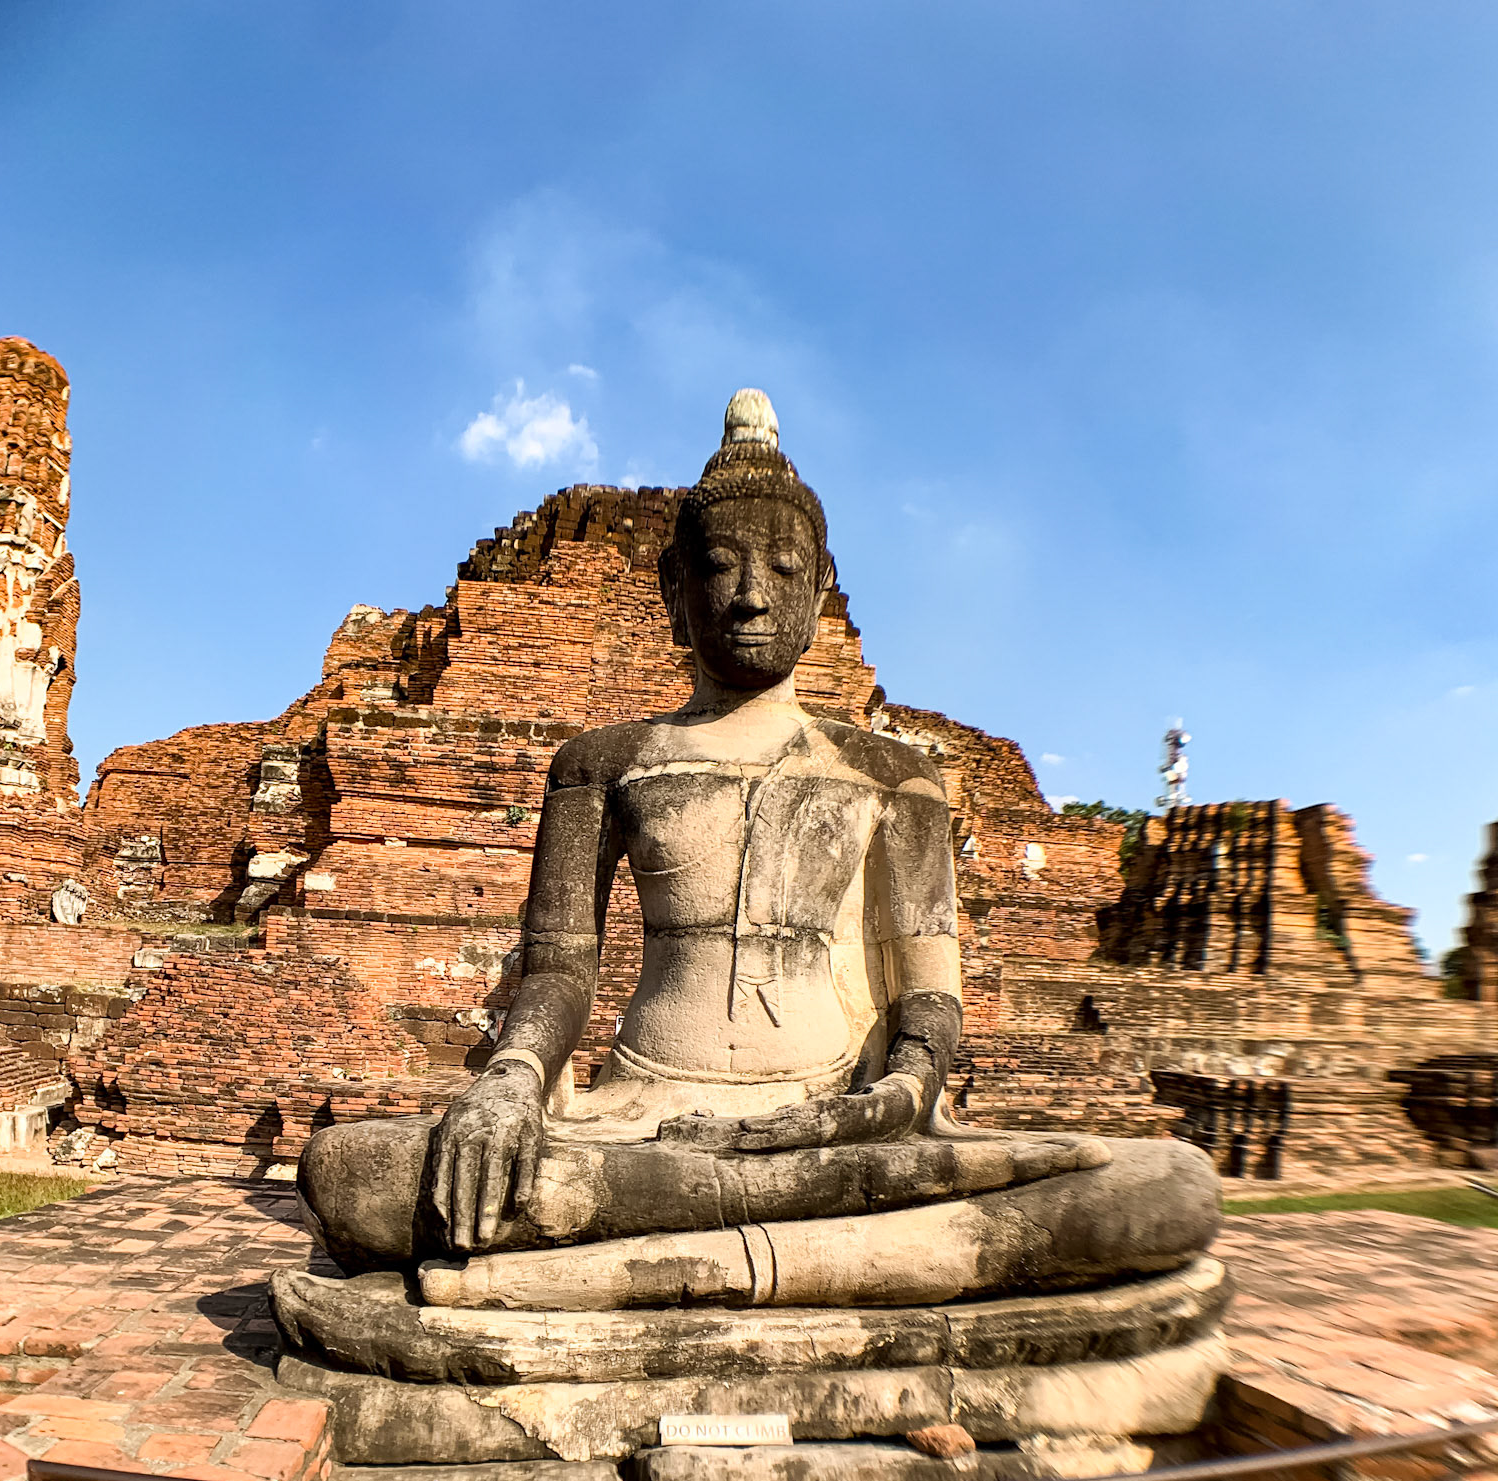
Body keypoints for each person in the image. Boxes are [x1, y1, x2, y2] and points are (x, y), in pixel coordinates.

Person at [289, 392, 1215, 1323]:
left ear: (820, 594)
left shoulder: (893, 774)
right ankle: (828, 1261)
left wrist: (896, 1094)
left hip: (843, 1120)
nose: (749, 595)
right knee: (354, 1176)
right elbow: (560, 971)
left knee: (1164, 1187)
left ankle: (629, 1269)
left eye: (782, 567)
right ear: (673, 593)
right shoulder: (604, 763)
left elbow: (930, 996)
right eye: (720, 566)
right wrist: (512, 1079)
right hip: (644, 1122)